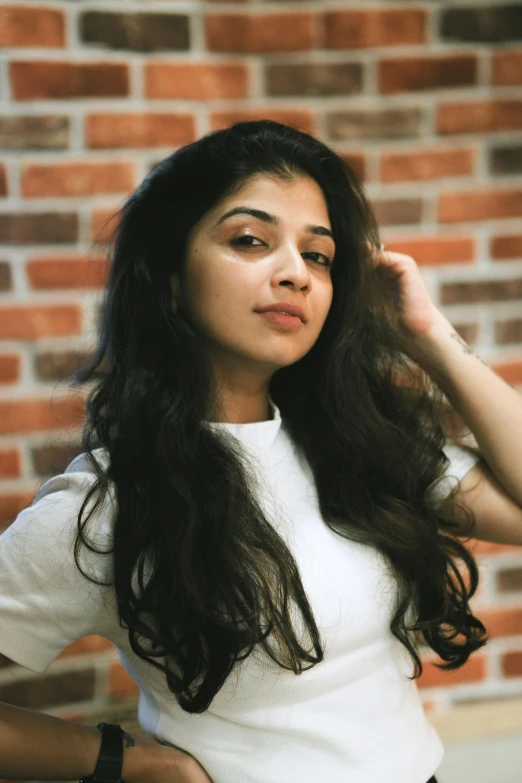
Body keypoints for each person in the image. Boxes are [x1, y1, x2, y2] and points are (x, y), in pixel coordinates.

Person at [0, 119, 491, 783]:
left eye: (318, 255)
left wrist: (427, 333)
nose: (295, 273)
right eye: (251, 240)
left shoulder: (359, 445)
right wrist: (121, 762)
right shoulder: (110, 504)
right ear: (171, 277)